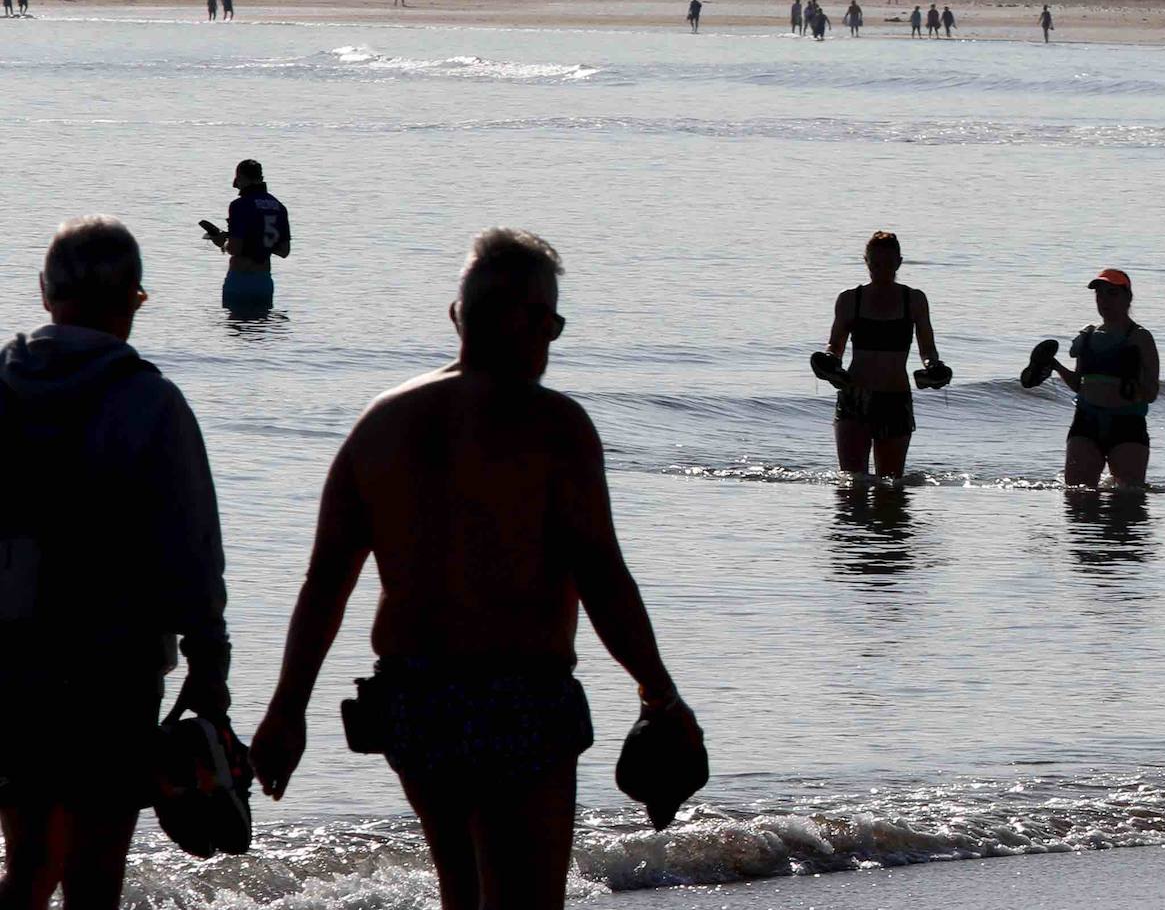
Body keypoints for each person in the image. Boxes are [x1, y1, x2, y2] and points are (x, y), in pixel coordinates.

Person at [249, 228, 702, 910]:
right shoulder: (555, 427)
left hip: (415, 698)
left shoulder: (380, 425)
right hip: (521, 694)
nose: (551, 338)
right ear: (517, 318)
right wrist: (659, 690)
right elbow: (602, 575)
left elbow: (325, 583)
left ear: (459, 314)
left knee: (463, 891)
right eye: (549, 321)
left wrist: (287, 710)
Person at [0, 216, 232, 910]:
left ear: (45, 292)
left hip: (11, 667)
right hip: (114, 672)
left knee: (28, 862)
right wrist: (210, 666)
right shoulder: (149, 402)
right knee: (96, 874)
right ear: (134, 298)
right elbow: (193, 549)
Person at [821, 231, 941, 480]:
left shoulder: (914, 300)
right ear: (866, 262)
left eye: (887, 264)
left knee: (891, 485)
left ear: (899, 262)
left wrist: (933, 367)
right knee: (852, 482)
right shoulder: (850, 299)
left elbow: (927, 348)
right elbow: (836, 345)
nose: (880, 270)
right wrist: (828, 362)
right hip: (855, 397)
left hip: (895, 399)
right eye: (875, 264)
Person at [1045, 268, 1159, 488]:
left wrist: (1125, 386)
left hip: (1127, 423)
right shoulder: (1086, 337)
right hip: (1086, 422)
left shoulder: (1140, 338)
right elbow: (1079, 384)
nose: (1104, 300)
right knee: (1077, 497)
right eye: (1099, 294)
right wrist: (1056, 366)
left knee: (1129, 502)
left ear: (1128, 297)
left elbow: (1152, 393)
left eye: (1112, 293)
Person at [207, 159, 291, 313]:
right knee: (260, 333)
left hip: (240, 281)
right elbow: (284, 251)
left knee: (237, 332)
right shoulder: (279, 206)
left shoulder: (239, 205)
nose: (234, 184)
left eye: (237, 179)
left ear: (242, 178)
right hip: (264, 282)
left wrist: (222, 243)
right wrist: (259, 241)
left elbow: (235, 248)